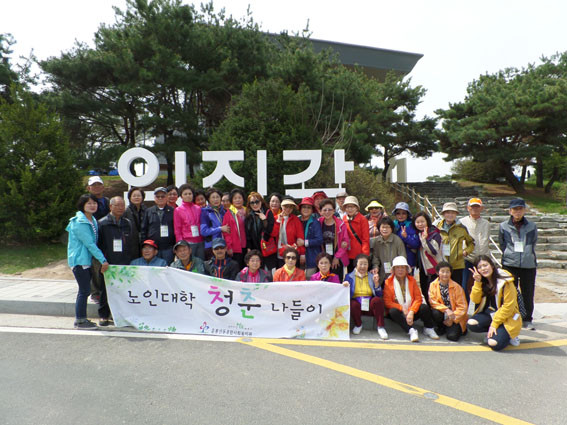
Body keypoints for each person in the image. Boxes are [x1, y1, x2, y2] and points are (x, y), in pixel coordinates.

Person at [66, 194, 109, 329]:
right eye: (89, 203)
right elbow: (90, 244)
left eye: (94, 203)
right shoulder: (80, 222)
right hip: (80, 261)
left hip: (86, 260)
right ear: (82, 205)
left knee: (85, 290)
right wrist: (103, 260)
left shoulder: (91, 219)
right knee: (84, 291)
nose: (92, 205)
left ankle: (81, 319)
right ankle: (80, 321)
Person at [97, 196, 137, 326]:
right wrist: (102, 261)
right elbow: (98, 245)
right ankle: (103, 315)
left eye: (122, 205)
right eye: (117, 205)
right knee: (105, 290)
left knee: (122, 290)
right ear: (110, 207)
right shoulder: (102, 223)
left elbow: (132, 243)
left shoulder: (127, 223)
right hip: (108, 263)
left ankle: (120, 316)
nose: (120, 208)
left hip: (124, 262)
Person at [467, 255, 522, 350]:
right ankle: (494, 332)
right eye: (480, 267)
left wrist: (494, 324)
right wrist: (477, 282)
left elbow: (509, 306)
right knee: (471, 323)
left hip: (507, 316)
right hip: (491, 314)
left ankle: (510, 335)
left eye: (485, 265)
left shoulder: (506, 282)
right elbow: (475, 300)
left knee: (493, 344)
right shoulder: (482, 281)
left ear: (492, 265)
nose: (483, 269)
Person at [499, 198, 538, 330]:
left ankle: (527, 319)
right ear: (510, 211)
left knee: (528, 292)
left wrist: (527, 254)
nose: (517, 212)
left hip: (528, 264)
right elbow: (502, 243)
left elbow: (533, 242)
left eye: (520, 209)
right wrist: (509, 254)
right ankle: (511, 317)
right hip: (510, 264)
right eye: (515, 209)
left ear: (524, 210)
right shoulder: (503, 226)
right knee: (510, 292)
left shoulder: (532, 226)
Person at [384, 256, 439, 342]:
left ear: (406, 269)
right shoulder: (388, 282)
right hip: (399, 313)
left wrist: (411, 311)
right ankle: (411, 330)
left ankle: (428, 328)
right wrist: (402, 308)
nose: (400, 270)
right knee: (392, 311)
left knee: (424, 307)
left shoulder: (412, 280)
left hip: (411, 311)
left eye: (403, 267)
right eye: (397, 267)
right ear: (393, 270)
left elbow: (418, 298)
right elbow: (387, 302)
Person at [343, 254, 388, 339]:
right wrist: (344, 286)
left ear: (368, 265)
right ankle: (358, 324)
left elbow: (379, 294)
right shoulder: (349, 277)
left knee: (377, 300)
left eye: (365, 264)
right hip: (357, 305)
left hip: (369, 304)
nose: (363, 266)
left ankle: (380, 327)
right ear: (356, 264)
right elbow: (344, 293)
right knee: (352, 303)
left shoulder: (372, 276)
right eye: (360, 264)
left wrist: (376, 284)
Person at [437, 202, 475, 287]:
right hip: (441, 265)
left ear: (456, 214)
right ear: (443, 214)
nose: (450, 215)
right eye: (448, 212)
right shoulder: (437, 227)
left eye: (453, 213)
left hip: (457, 265)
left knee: (456, 289)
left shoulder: (461, 228)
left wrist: (466, 251)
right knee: (442, 289)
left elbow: (471, 243)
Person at [428, 261, 468, 341]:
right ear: (437, 273)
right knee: (435, 312)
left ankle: (458, 328)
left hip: (455, 315)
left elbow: (463, 307)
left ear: (451, 273)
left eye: (447, 272)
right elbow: (432, 302)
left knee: (452, 337)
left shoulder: (457, 287)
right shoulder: (433, 285)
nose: (445, 274)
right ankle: (441, 326)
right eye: (442, 271)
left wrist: (452, 319)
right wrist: (446, 310)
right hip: (443, 313)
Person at [460, 198, 491, 299]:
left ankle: (481, 308)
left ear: (481, 208)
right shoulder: (462, 222)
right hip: (467, 258)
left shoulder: (486, 223)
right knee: (465, 286)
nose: (475, 209)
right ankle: (464, 307)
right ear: (468, 208)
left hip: (483, 259)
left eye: (477, 206)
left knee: (484, 286)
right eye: (472, 206)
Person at [86, 175, 109, 303]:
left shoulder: (107, 201)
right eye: (93, 185)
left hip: (106, 237)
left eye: (99, 184)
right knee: (94, 266)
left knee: (104, 265)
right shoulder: (86, 201)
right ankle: (95, 292)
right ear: (88, 188)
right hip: (92, 238)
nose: (96, 187)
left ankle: (105, 290)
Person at [413, 211, 444, 304]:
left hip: (434, 268)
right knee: (425, 291)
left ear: (427, 221)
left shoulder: (435, 234)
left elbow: (433, 251)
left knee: (435, 294)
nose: (420, 224)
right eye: (417, 222)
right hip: (423, 268)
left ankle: (437, 311)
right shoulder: (418, 233)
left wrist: (425, 239)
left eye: (422, 221)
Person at [140, 187, 176, 265]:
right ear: (154, 198)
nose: (160, 198)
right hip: (152, 248)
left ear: (167, 197)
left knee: (167, 268)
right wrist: (144, 246)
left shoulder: (173, 211)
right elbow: (144, 229)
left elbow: (176, 229)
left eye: (162, 196)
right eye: (158, 196)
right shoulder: (149, 211)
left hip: (168, 248)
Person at [318, 199, 350, 281]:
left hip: (337, 258)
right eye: (324, 210)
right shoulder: (318, 223)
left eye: (330, 209)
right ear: (320, 212)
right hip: (323, 258)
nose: (327, 212)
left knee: (336, 281)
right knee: (323, 281)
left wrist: (337, 257)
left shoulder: (341, 225)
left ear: (334, 210)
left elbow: (345, 242)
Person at [371, 216, 406, 285]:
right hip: (382, 274)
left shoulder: (397, 240)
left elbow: (402, 257)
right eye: (383, 227)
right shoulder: (377, 242)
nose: (385, 229)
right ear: (379, 228)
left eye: (387, 227)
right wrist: (375, 267)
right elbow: (375, 257)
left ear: (391, 229)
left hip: (396, 274)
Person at [174, 183, 205, 260]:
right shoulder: (178, 210)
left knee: (200, 263)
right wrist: (180, 244)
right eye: (185, 194)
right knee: (188, 263)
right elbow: (177, 229)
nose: (188, 196)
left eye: (190, 194)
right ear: (181, 196)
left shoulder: (198, 208)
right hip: (187, 242)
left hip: (200, 241)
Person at [274, 198, 305, 267]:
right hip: (279, 253)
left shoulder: (295, 219)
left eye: (290, 207)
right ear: (282, 206)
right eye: (286, 206)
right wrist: (278, 221)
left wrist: (302, 253)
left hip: (292, 252)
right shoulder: (275, 218)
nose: (288, 209)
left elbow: (300, 237)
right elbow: (273, 234)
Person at [222, 188, 248, 269]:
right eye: (235, 198)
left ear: (243, 199)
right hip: (235, 247)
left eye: (239, 198)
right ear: (232, 200)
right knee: (237, 268)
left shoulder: (247, 211)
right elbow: (226, 233)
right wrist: (229, 247)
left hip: (247, 246)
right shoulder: (229, 214)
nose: (238, 200)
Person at [298, 197, 323, 279]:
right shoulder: (296, 220)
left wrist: (305, 242)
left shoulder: (315, 223)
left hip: (311, 256)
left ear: (312, 210)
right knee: (298, 279)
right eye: (304, 207)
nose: (306, 209)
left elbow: (319, 240)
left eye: (309, 207)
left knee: (310, 279)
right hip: (297, 256)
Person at [343, 196, 370, 272]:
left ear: (357, 208)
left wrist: (364, 255)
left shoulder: (362, 219)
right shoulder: (344, 219)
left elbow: (365, 238)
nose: (350, 209)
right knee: (351, 274)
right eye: (347, 207)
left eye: (352, 207)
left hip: (359, 254)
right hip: (348, 253)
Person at [200, 187, 228, 260]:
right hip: (211, 246)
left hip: (224, 245)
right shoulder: (205, 212)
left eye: (217, 197)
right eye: (213, 197)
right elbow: (204, 231)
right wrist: (220, 229)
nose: (216, 199)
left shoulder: (224, 211)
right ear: (208, 199)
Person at [392, 202, 420, 271]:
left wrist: (406, 237)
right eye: (398, 213)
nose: (401, 216)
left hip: (409, 258)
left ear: (407, 214)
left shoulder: (411, 226)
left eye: (403, 213)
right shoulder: (393, 224)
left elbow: (416, 244)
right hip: (395, 257)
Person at [123, 187, 146, 254]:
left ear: (142, 197)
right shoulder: (125, 211)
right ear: (129, 197)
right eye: (134, 196)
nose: (136, 197)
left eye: (138, 195)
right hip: (130, 243)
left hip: (143, 242)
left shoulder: (146, 211)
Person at [264, 192, 283, 272]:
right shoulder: (266, 214)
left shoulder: (283, 214)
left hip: (281, 247)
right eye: (272, 201)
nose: (274, 203)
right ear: (269, 203)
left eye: (277, 201)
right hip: (270, 247)